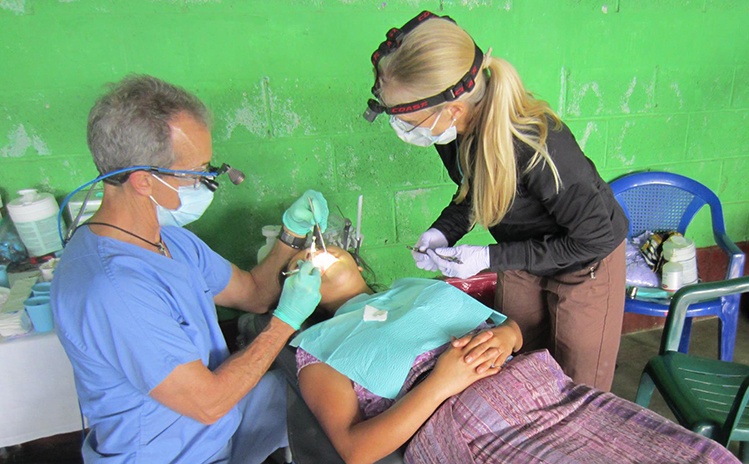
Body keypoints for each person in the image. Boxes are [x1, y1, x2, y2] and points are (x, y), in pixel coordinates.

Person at [50, 74, 328, 464]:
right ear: (144, 181)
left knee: (319, 393)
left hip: (215, 427)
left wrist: (292, 234)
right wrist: (287, 320)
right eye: (197, 173)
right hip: (169, 451)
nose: (207, 181)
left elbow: (254, 293)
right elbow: (209, 403)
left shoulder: (169, 242)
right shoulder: (113, 289)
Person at [362, 11, 628, 391]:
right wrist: (444, 231)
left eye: (410, 120)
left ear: (452, 109)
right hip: (520, 253)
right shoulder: (453, 130)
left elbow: (594, 239)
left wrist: (488, 258)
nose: (404, 129)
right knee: (513, 364)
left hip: (584, 261)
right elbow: (474, 192)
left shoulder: (539, 144)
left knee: (574, 384)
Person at [290, 247, 738, 464]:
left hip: (552, 396)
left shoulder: (414, 287)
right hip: (474, 428)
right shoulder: (320, 347)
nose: (316, 253)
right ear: (295, 294)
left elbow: (508, 328)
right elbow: (355, 449)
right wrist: (442, 383)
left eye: (320, 244)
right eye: (300, 262)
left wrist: (507, 338)